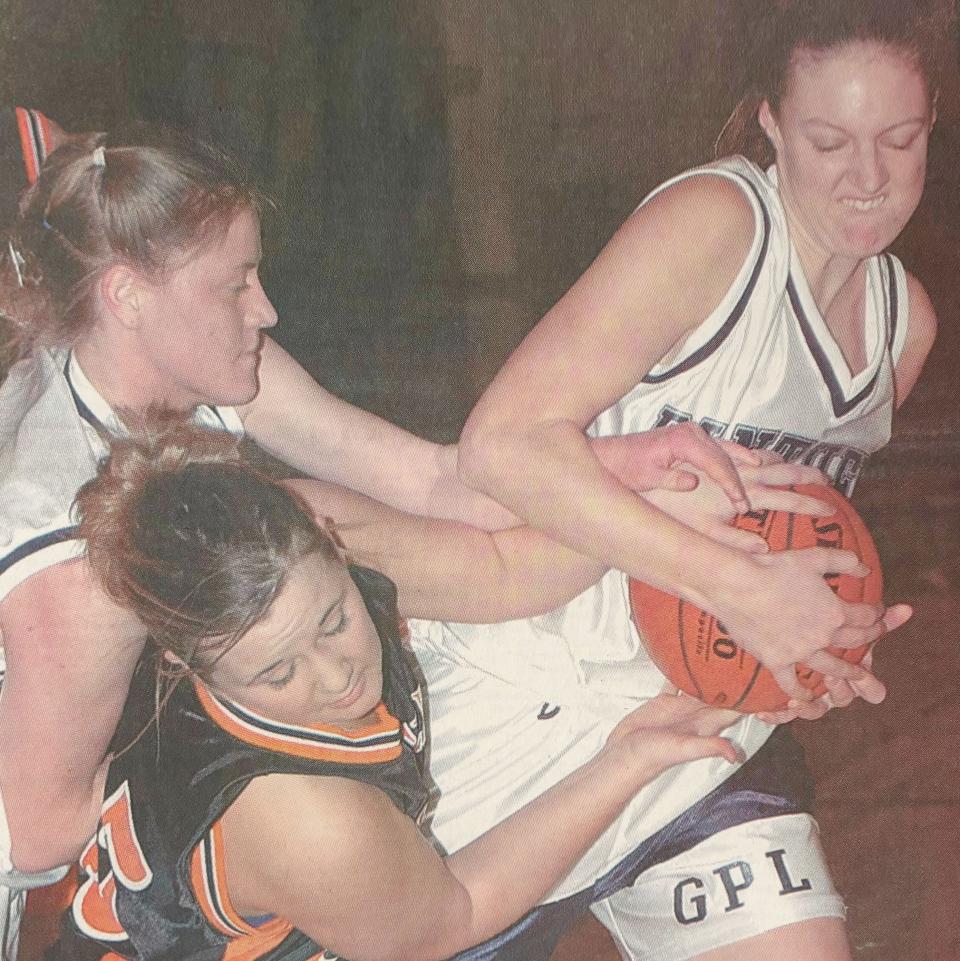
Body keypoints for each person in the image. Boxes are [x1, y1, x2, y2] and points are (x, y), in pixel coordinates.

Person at [0, 120, 774, 958]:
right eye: (235, 285)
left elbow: (428, 480)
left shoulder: (193, 365)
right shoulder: (73, 569)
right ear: (127, 295)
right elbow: (37, 833)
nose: (265, 307)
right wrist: (234, 800)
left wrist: (621, 466)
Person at [426, 1, 945, 959]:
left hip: (698, 732)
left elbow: (796, 536)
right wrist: (743, 590)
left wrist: (815, 638)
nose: (868, 177)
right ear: (773, 125)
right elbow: (499, 446)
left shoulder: (900, 324)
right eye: (829, 141)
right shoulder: (714, 226)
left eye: (900, 139)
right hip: (526, 695)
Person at [52, 417, 745, 961]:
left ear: (329, 538)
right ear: (181, 662)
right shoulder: (302, 820)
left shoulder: (300, 531)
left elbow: (499, 571)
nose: (335, 675)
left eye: (335, 620)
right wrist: (627, 760)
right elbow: (457, 911)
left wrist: (660, 516)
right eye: (278, 673)